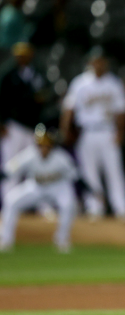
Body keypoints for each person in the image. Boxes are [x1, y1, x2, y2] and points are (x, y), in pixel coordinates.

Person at [60, 51, 125, 221]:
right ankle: (94, 208)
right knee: (89, 172)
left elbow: (122, 110)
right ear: (90, 63)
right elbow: (69, 108)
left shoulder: (114, 83)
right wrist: (65, 130)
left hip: (108, 131)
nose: (98, 65)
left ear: (105, 63)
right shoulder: (80, 83)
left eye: (101, 62)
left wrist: (120, 132)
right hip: (87, 132)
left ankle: (122, 209)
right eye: (95, 61)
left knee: (114, 171)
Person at [0, 124, 79, 253]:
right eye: (41, 144)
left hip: (58, 188)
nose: (43, 148)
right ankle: (6, 240)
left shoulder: (61, 157)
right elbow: (9, 171)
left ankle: (62, 240)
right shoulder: (30, 154)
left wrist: (91, 192)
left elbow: (77, 176)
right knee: (11, 200)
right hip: (35, 187)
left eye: (46, 144)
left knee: (68, 204)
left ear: (52, 145)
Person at [0, 42, 47, 200]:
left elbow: (43, 96)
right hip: (14, 126)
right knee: (11, 164)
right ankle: (7, 201)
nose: (22, 58)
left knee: (35, 166)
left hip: (32, 126)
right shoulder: (8, 75)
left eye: (25, 55)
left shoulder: (37, 74)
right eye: (19, 55)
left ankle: (37, 205)